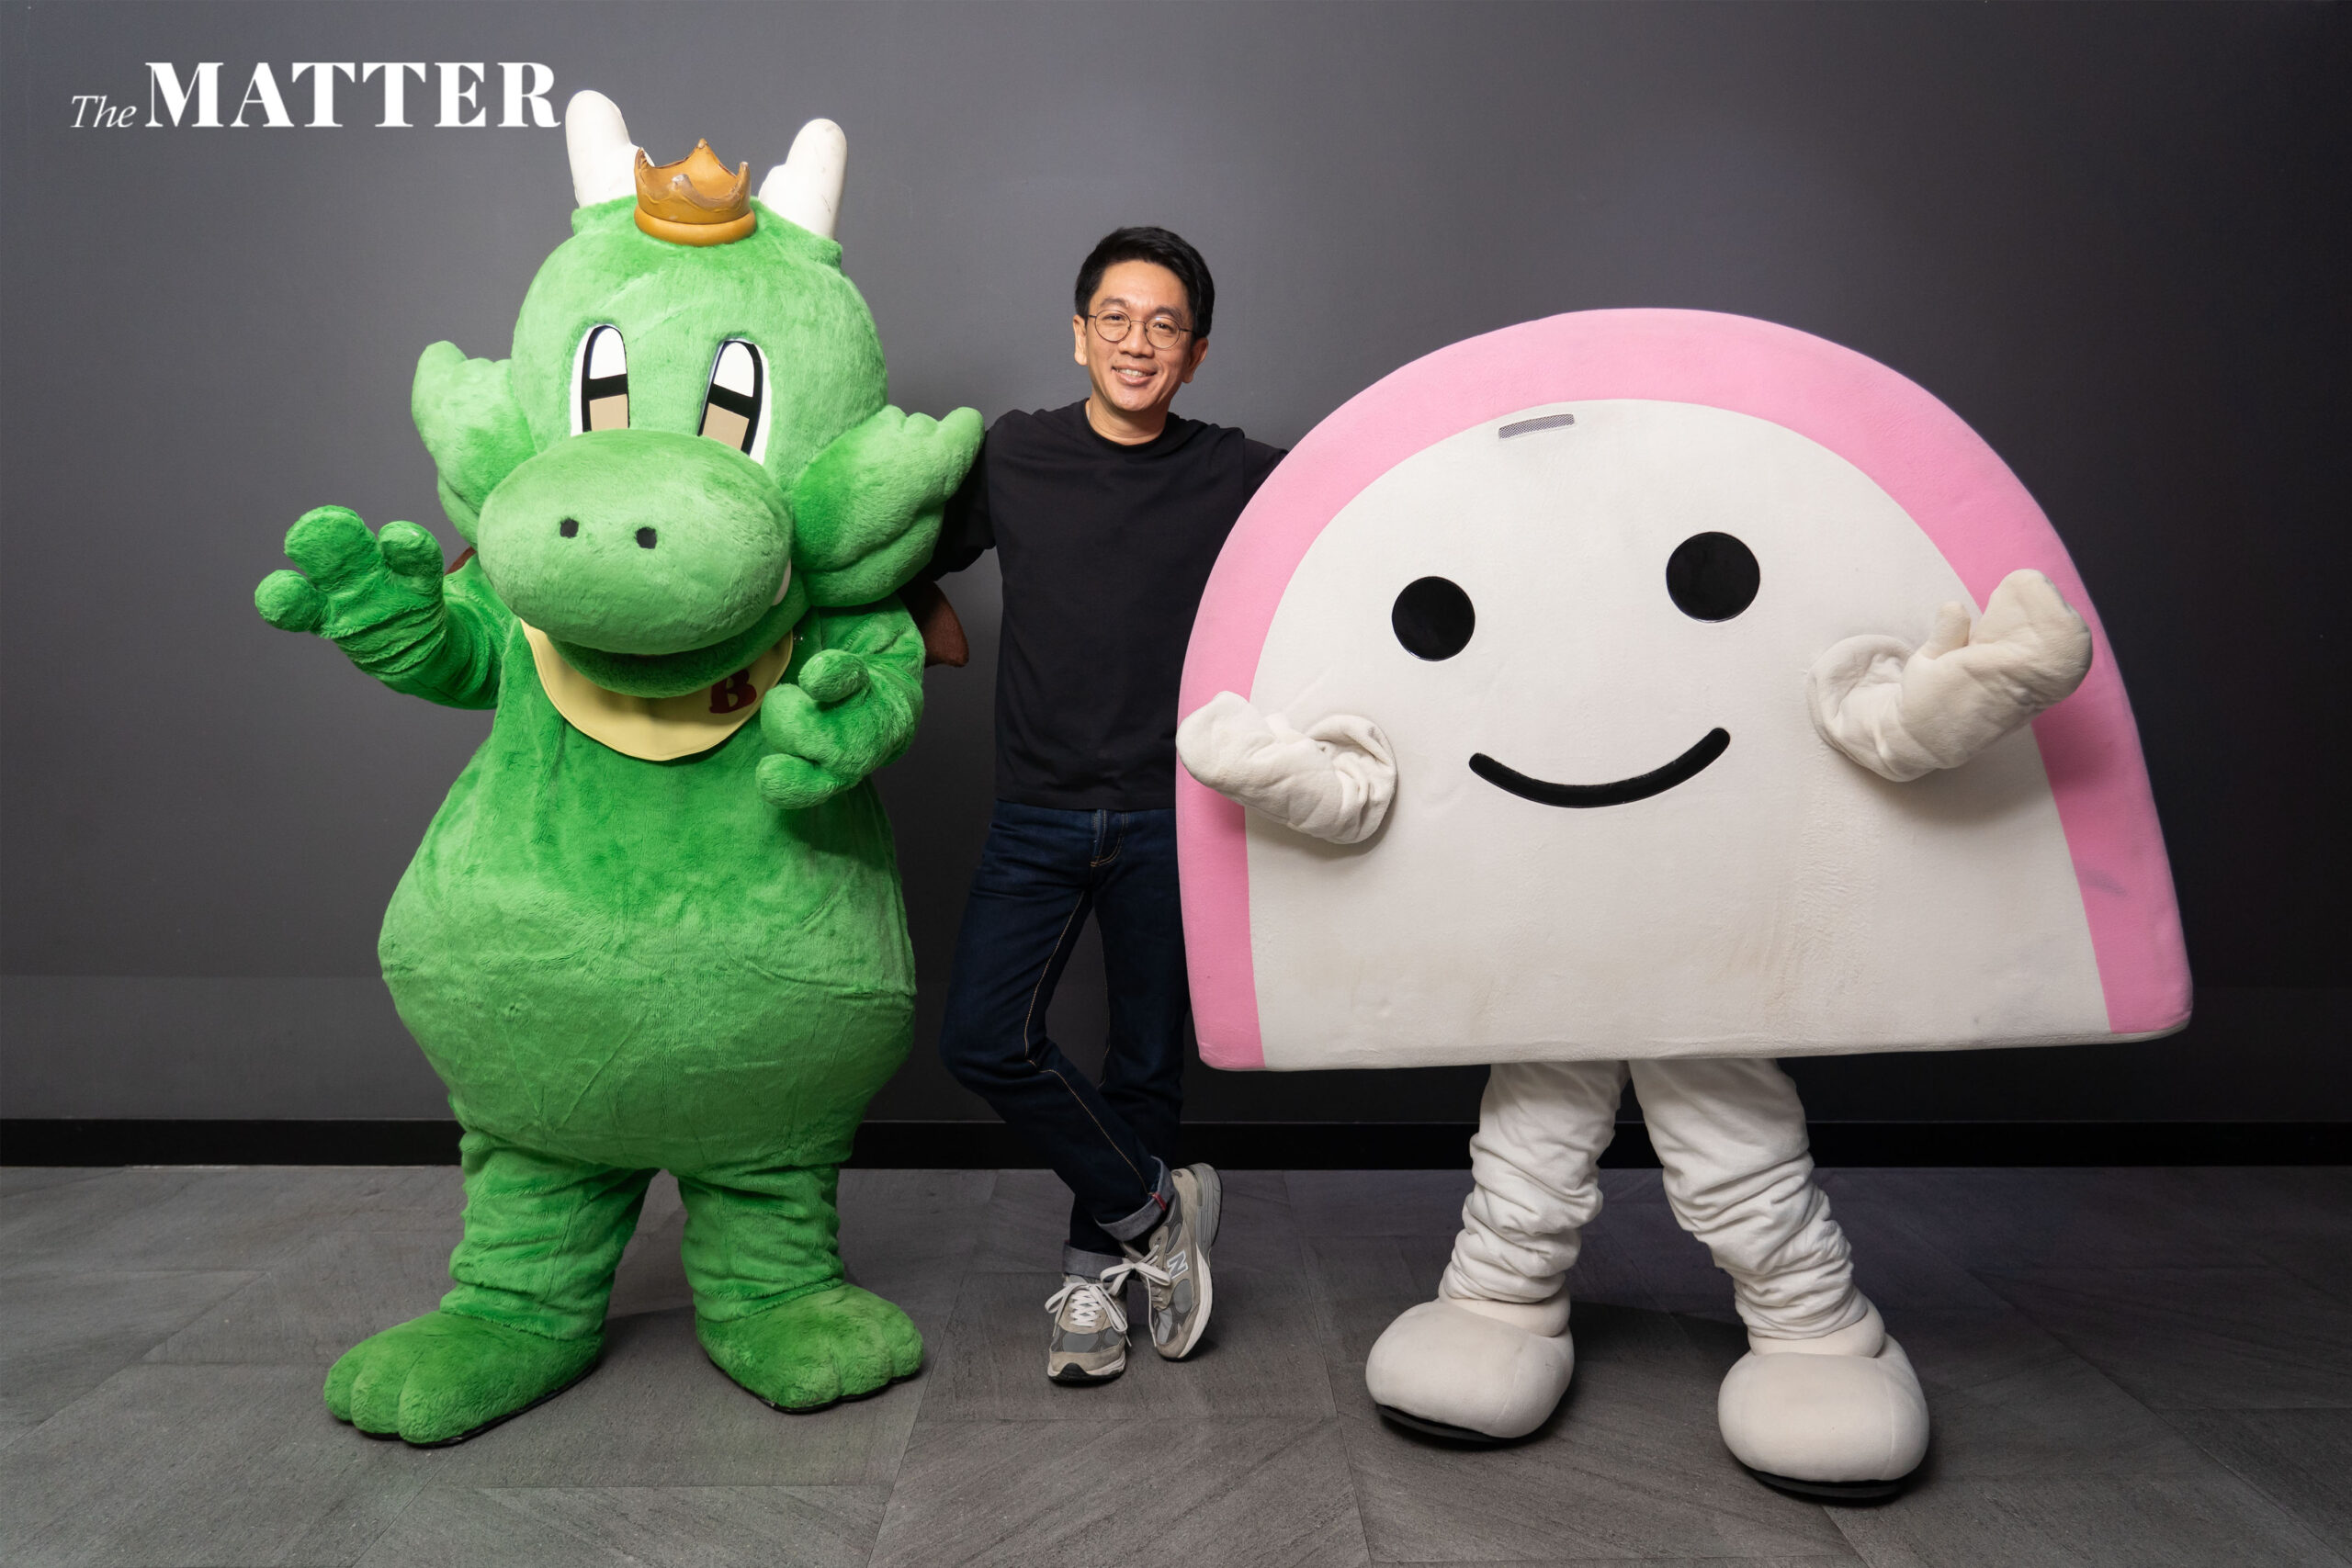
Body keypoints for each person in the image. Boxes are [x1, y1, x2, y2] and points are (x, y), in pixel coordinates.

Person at [924, 227, 1285, 1384]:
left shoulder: (1232, 470)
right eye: (1116, 319)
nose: (1138, 342)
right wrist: (903, 630)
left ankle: (1096, 1275)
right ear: (1079, 334)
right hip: (1035, 808)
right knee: (985, 1038)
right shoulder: (1014, 455)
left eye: (1164, 325)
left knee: (1144, 1062)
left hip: (1173, 814)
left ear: (1196, 352)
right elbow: (889, 555)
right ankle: (1155, 1210)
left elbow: (1354, 529)